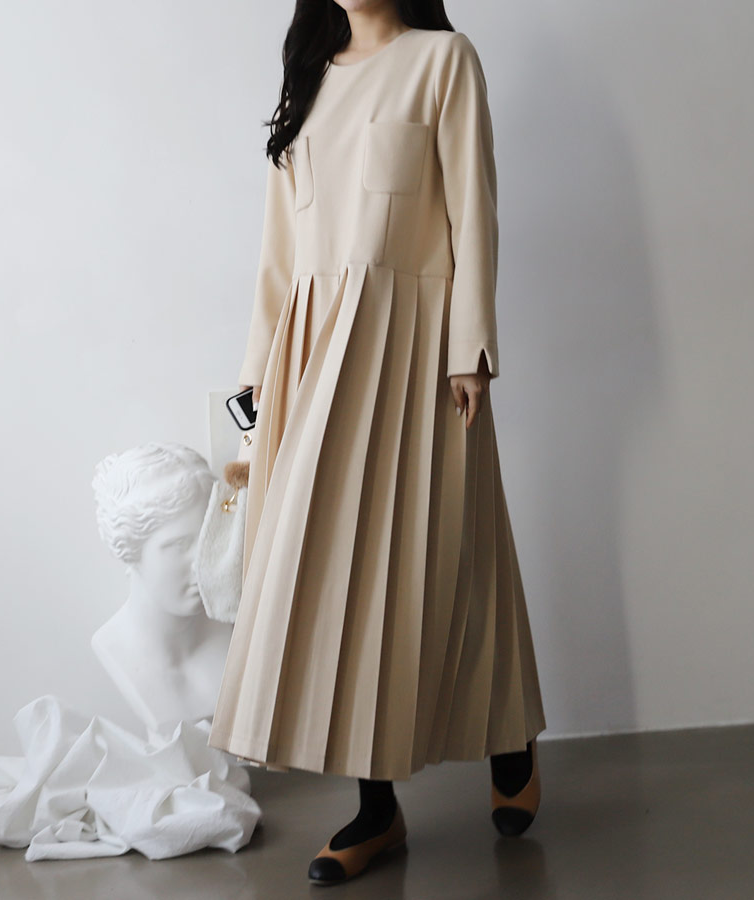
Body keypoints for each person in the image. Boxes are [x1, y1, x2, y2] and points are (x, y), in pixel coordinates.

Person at [206, 0, 547, 885]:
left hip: (418, 345)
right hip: (314, 352)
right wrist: (257, 373)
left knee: (446, 549)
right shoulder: (308, 81)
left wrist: (472, 346)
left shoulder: (443, 59)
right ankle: (377, 809)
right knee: (333, 570)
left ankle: (507, 732)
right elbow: (279, 253)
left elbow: (472, 206)